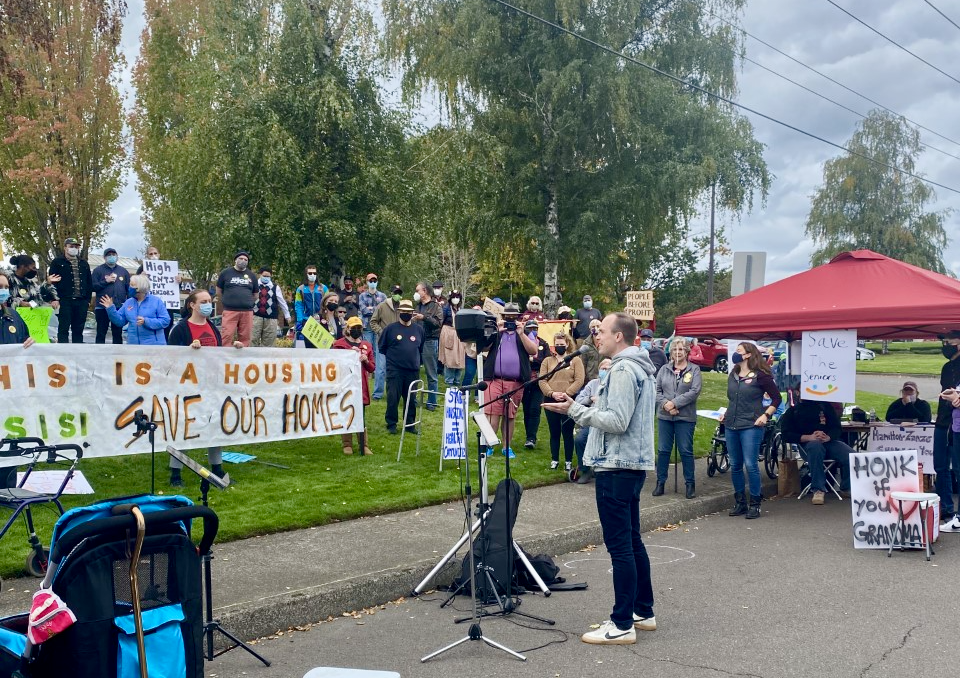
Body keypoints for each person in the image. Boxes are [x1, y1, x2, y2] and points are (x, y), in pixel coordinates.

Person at [542, 312, 657, 645]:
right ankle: (642, 611)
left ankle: (622, 624)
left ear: (619, 336)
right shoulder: (638, 367)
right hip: (628, 465)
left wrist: (574, 410)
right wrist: (576, 404)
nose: (596, 336)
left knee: (620, 547)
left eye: (602, 331)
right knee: (632, 541)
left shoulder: (622, 369)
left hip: (616, 465)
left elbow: (617, 420)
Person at [167, 288, 243, 486]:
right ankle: (176, 473)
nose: (208, 304)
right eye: (203, 301)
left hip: (211, 385)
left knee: (214, 426)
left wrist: (233, 351)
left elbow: (217, 355)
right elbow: (169, 358)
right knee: (185, 428)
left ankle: (217, 468)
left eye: (209, 300)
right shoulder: (181, 328)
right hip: (188, 388)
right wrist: (188, 352)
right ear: (192, 305)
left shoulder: (212, 327)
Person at [721, 342, 782, 519]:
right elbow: (733, 399)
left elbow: (776, 398)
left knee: (751, 464)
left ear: (748, 355)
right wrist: (725, 414)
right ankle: (740, 501)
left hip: (751, 425)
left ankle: (755, 503)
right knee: (735, 465)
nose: (735, 354)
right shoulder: (733, 374)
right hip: (731, 423)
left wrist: (766, 415)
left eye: (739, 351)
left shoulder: (761, 376)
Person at [779, 391, 853, 505]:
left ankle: (846, 487)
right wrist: (808, 437)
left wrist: (828, 436)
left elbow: (836, 428)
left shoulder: (826, 407)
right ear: (798, 393)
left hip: (828, 442)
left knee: (850, 454)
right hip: (807, 445)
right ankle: (818, 489)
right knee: (815, 447)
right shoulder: (793, 411)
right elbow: (786, 435)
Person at [484, 302, 538, 458]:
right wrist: (496, 331)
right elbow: (483, 348)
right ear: (503, 317)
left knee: (509, 415)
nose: (510, 321)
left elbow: (533, 351)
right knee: (493, 413)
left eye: (513, 318)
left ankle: (506, 447)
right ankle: (489, 444)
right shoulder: (497, 331)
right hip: (494, 379)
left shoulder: (526, 332)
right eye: (508, 317)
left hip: (515, 382)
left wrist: (521, 333)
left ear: (518, 318)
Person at [653, 338, 702, 499]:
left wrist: (675, 403)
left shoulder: (694, 370)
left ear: (687, 352)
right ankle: (660, 482)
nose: (677, 353)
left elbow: (694, 391)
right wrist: (666, 404)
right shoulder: (664, 369)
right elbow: (657, 390)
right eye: (675, 350)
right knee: (663, 450)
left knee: (685, 450)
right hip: (665, 416)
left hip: (685, 417)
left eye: (681, 350)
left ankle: (690, 483)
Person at [539, 333, 585, 471]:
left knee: (567, 431)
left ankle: (568, 460)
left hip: (568, 400)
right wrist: (551, 393)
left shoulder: (575, 360)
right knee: (554, 431)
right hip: (550, 399)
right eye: (557, 344)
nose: (559, 347)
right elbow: (542, 379)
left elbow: (579, 379)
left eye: (562, 344)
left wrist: (567, 393)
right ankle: (554, 459)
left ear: (567, 344)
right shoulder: (547, 361)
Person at [379, 300, 424, 434]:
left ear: (412, 313)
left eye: (408, 312)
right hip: (395, 370)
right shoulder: (390, 329)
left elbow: (420, 348)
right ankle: (391, 424)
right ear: (399, 312)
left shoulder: (419, 330)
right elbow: (382, 347)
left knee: (411, 399)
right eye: (403, 312)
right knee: (393, 397)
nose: (406, 314)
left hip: (412, 370)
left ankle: (410, 424)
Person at [333, 316, 375, 455]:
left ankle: (364, 444)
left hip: (361, 386)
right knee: (346, 413)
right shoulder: (339, 344)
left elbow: (372, 368)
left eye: (359, 328)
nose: (357, 330)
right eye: (354, 328)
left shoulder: (367, 346)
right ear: (348, 329)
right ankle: (347, 444)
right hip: (345, 384)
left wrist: (366, 361)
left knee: (361, 415)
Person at [572, 358, 612, 484]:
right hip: (592, 420)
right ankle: (585, 470)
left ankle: (605, 470)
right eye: (603, 368)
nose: (605, 371)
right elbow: (579, 399)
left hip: (609, 420)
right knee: (580, 440)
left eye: (608, 369)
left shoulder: (616, 384)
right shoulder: (593, 384)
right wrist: (590, 399)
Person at [935, 331, 960, 530]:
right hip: (942, 421)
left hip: (957, 422)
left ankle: (957, 515)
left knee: (957, 468)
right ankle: (946, 507)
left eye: (950, 341)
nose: (946, 345)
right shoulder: (946, 367)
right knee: (940, 466)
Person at [101, 274, 170, 345]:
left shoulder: (156, 301)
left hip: (153, 346)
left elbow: (165, 321)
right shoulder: (128, 302)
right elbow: (120, 322)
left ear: (139, 288)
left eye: (132, 285)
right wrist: (110, 308)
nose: (129, 287)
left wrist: (146, 321)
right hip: (133, 345)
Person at [49, 236, 92, 344]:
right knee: (63, 328)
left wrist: (87, 300)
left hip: (81, 301)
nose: (74, 248)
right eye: (71, 246)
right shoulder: (57, 262)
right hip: (65, 300)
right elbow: (52, 283)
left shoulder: (83, 263)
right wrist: (54, 298)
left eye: (76, 247)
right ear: (65, 248)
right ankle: (63, 354)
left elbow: (89, 282)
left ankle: (77, 353)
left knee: (78, 329)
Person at [137, 245, 179, 341]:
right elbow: (136, 286)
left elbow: (174, 288)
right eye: (151, 254)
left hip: (166, 306)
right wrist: (141, 277)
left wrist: (178, 281)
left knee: (166, 328)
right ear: (147, 256)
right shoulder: (142, 268)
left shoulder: (169, 267)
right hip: (150, 306)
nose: (153, 255)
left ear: (159, 254)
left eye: (155, 253)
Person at [216, 251, 257, 347]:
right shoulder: (225, 273)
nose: (243, 261)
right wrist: (228, 301)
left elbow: (255, 295)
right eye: (241, 259)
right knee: (226, 336)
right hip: (230, 310)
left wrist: (247, 302)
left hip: (247, 311)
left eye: (246, 260)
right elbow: (219, 291)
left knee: (245, 337)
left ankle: (242, 359)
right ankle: (225, 358)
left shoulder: (251, 275)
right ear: (235, 260)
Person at [521, 319, 551, 449]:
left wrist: (533, 359)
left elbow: (546, 361)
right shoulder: (521, 342)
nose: (533, 331)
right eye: (530, 328)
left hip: (539, 380)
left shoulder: (543, 343)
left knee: (535, 409)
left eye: (535, 328)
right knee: (526, 409)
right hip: (525, 380)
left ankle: (531, 437)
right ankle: (529, 435)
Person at [91, 247, 129, 344]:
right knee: (101, 332)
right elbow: (92, 287)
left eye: (113, 255)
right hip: (102, 307)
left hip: (118, 307)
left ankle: (118, 356)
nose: (111, 257)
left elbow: (128, 288)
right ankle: (100, 355)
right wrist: (105, 281)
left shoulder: (123, 271)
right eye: (109, 255)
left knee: (117, 333)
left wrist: (128, 304)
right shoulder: (98, 270)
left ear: (117, 257)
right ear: (104, 257)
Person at [414, 282, 443, 411]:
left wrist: (424, 318)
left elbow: (438, 323)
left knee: (431, 373)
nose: (416, 293)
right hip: (416, 341)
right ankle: (413, 399)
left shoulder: (436, 306)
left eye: (418, 290)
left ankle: (432, 401)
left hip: (429, 341)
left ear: (424, 291)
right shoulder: (418, 306)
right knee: (413, 371)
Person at [359, 273, 387, 399]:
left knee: (380, 357)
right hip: (366, 328)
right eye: (370, 280)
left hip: (379, 328)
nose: (373, 282)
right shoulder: (362, 295)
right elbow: (363, 310)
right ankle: (364, 387)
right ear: (367, 281)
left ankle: (378, 393)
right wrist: (375, 309)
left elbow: (383, 312)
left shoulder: (383, 296)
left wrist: (371, 309)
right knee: (367, 354)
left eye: (375, 280)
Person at [251, 267, 291, 348]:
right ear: (260, 275)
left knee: (269, 343)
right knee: (252, 339)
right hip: (255, 317)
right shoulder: (254, 285)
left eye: (268, 276)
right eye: (264, 276)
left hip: (271, 318)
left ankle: (266, 360)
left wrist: (287, 315)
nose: (266, 278)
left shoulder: (275, 287)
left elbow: (282, 302)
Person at [0, 273, 37, 348]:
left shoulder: (14, 316)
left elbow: (24, 340)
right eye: (0, 287)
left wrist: (29, 342)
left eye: (6, 287)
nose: (3, 290)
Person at [294, 265, 327, 346]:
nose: (312, 275)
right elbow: (299, 305)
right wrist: (300, 320)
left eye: (314, 273)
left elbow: (327, 304)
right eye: (310, 273)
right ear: (306, 274)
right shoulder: (300, 289)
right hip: (307, 320)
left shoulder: (323, 288)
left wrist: (326, 317)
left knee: (322, 345)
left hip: (321, 320)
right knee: (309, 346)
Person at [439, 290, 466, 387]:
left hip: (458, 334)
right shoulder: (446, 309)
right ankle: (449, 381)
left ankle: (457, 380)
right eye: (454, 297)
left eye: (457, 297)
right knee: (450, 358)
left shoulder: (460, 309)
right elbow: (441, 321)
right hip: (448, 333)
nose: (456, 299)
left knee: (460, 357)